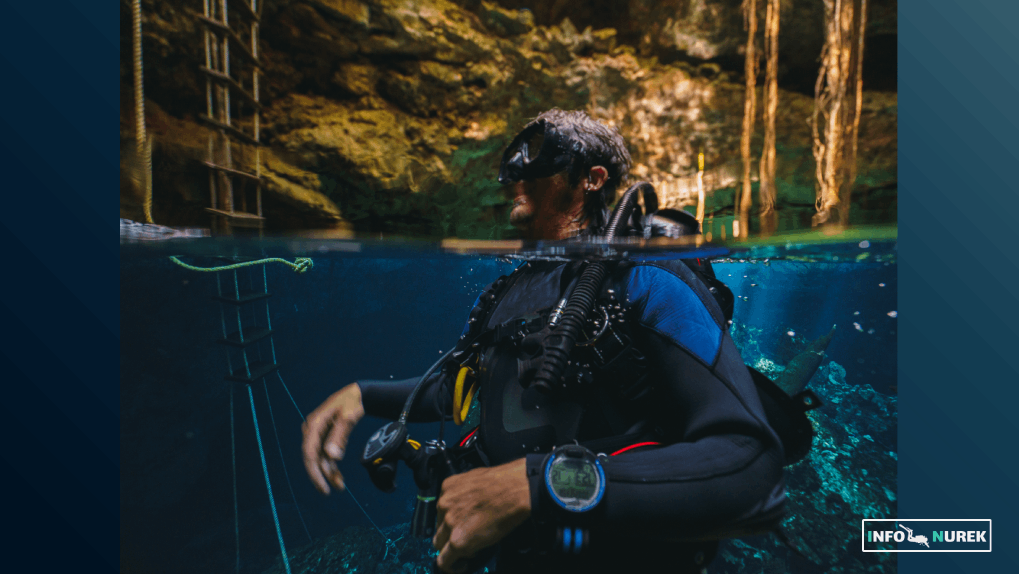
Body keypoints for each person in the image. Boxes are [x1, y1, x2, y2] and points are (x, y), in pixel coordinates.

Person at [302, 109, 787, 574]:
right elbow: (459, 388)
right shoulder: (506, 294)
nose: (514, 175)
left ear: (591, 178)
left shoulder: (648, 279)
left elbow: (750, 464)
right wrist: (363, 394)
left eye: (536, 155)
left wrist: (537, 484)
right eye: (510, 161)